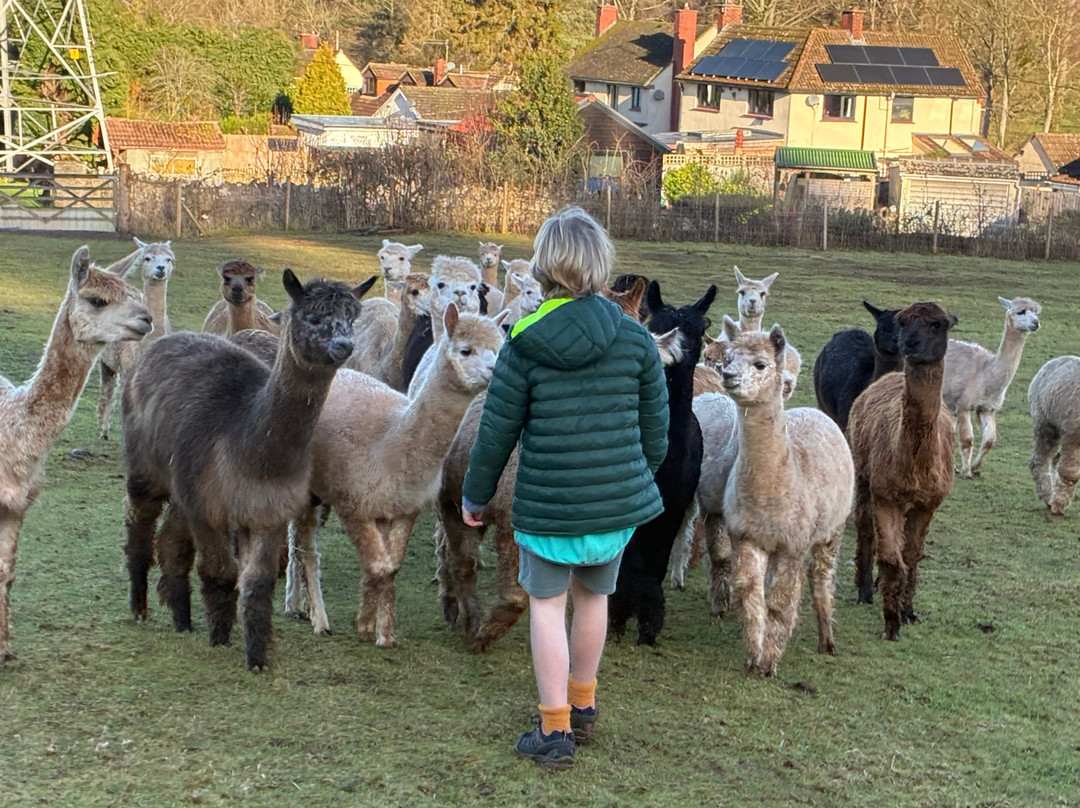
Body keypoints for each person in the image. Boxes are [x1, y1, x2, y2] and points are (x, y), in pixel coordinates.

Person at [461, 206, 669, 770]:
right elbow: (657, 431)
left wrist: (474, 495)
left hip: (549, 508)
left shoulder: (524, 343)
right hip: (613, 505)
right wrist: (632, 474)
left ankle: (554, 730)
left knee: (547, 607)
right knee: (593, 599)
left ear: (545, 268)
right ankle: (583, 703)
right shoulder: (634, 340)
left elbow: (495, 430)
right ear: (602, 265)